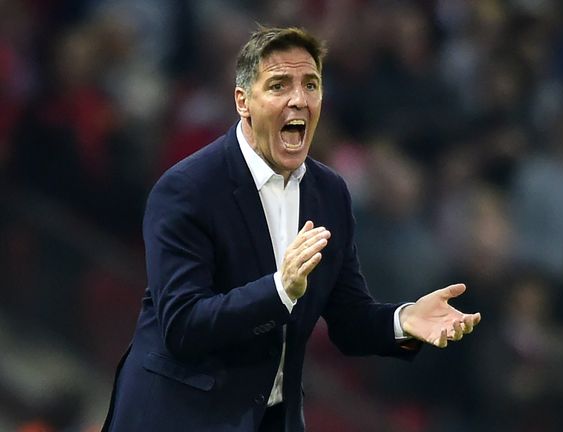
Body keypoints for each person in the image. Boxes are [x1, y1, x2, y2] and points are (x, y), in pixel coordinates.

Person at [102, 25, 481, 432]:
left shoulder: (330, 193)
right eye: (280, 85)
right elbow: (183, 325)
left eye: (311, 85)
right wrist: (279, 291)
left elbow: (349, 320)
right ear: (243, 102)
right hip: (176, 417)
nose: (299, 100)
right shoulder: (186, 189)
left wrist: (403, 320)